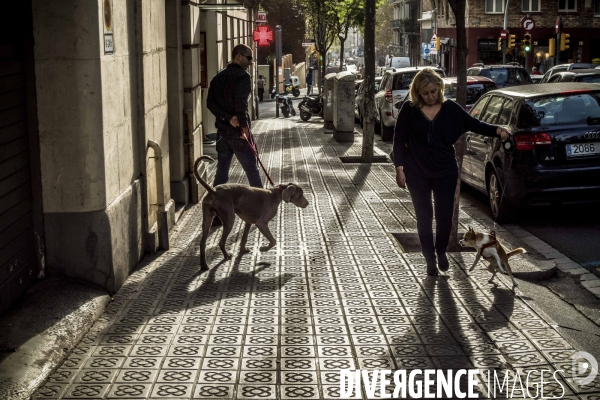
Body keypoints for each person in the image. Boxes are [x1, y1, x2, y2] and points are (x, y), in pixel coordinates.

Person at [393, 68, 510, 276]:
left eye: (434, 91)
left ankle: (441, 252)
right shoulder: (409, 109)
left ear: (440, 89)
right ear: (417, 93)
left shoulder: (450, 109)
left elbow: (474, 124)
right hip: (416, 170)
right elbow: (399, 138)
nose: (431, 96)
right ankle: (429, 258)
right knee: (424, 215)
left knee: (444, 215)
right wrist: (399, 168)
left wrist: (497, 130)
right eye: (426, 93)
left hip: (445, 170)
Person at [207, 44, 263, 225]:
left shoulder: (218, 78)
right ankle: (261, 209)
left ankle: (215, 213)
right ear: (238, 56)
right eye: (248, 58)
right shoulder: (242, 77)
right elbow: (241, 104)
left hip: (222, 134)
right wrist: (243, 126)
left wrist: (225, 117)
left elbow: (210, 104)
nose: (250, 62)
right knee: (252, 170)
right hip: (238, 134)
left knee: (221, 174)